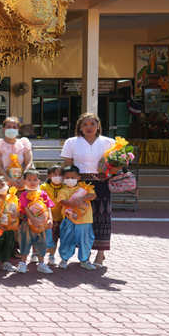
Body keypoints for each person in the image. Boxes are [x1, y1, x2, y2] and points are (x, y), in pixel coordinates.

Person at [60, 113, 117, 268]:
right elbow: (67, 165)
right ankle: (85, 253)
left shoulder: (109, 142)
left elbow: (117, 166)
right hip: (79, 186)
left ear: (98, 125)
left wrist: (108, 166)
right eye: (84, 124)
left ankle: (100, 253)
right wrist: (61, 182)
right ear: (79, 127)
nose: (88, 127)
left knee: (102, 217)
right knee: (80, 218)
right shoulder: (72, 142)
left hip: (101, 183)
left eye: (92, 123)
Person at [57, 165, 98, 270]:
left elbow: (93, 195)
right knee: (66, 239)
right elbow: (62, 202)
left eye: (73, 177)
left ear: (78, 178)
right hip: (70, 220)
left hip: (85, 220)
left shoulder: (84, 187)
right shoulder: (63, 190)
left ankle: (84, 260)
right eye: (67, 177)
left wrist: (81, 198)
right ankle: (64, 259)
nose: (70, 179)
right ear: (63, 178)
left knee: (85, 240)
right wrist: (73, 203)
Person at [16, 169, 54, 275]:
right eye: (29, 180)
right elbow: (25, 208)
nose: (32, 182)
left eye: (35, 179)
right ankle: (23, 263)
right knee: (25, 242)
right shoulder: (24, 194)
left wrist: (50, 219)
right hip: (26, 223)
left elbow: (48, 207)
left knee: (41, 242)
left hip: (41, 224)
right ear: (24, 181)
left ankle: (41, 264)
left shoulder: (43, 193)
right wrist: (33, 219)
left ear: (39, 181)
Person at [0, 116, 33, 191]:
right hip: (2, 184)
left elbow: (29, 163)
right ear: (3, 129)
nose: (11, 129)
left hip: (22, 183)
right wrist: (9, 181)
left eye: (14, 127)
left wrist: (22, 179)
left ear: (18, 129)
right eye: (9, 127)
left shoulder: (24, 143)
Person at [40, 164, 65, 267]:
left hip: (61, 217)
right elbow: (41, 201)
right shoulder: (44, 187)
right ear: (49, 176)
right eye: (55, 174)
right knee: (43, 237)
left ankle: (52, 256)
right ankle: (36, 254)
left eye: (60, 174)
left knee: (56, 238)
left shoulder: (65, 187)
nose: (57, 176)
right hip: (47, 218)